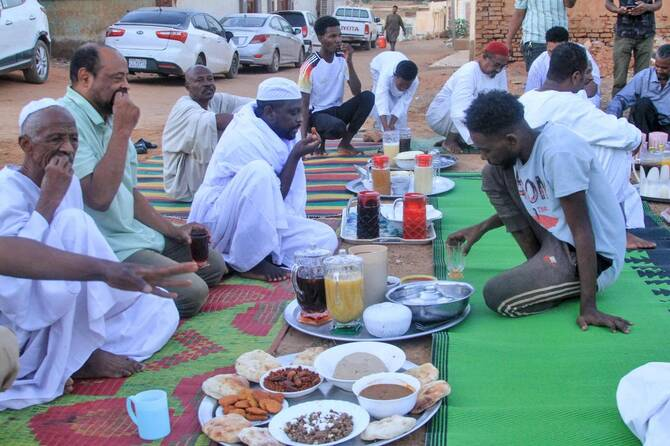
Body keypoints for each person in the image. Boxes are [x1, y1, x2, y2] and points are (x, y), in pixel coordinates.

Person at [0, 100, 192, 410]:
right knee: (74, 222)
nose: (67, 148)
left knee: (162, 310)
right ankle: (79, 355)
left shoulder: (70, 182)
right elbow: (14, 273)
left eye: (73, 139)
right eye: (55, 139)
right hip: (24, 316)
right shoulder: (6, 191)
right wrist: (48, 200)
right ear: (25, 144)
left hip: (74, 295)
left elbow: (79, 249)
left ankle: (79, 347)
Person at [59, 43, 227, 318]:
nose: (125, 86)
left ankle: (142, 284)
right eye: (116, 79)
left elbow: (129, 192)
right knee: (193, 293)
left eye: (126, 77)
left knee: (212, 263)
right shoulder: (66, 121)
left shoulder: (109, 111)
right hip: (105, 245)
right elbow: (98, 198)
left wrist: (173, 230)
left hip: (132, 233)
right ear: (84, 77)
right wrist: (123, 131)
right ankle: (118, 304)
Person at [448, 90, 630, 333]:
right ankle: (541, 265)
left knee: (498, 296)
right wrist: (482, 227)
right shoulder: (521, 149)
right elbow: (542, 204)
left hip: (593, 257)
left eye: (486, 149)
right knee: (492, 173)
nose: (482, 156)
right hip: (556, 238)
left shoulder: (559, 153)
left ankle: (561, 279)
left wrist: (589, 307)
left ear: (511, 140)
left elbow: (582, 230)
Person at [0, 236, 197, 397]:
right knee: (6, 346)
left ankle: (67, 354)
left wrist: (108, 271)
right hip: (19, 314)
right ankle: (57, 360)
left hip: (68, 283)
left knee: (162, 307)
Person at [189, 78, 338, 282]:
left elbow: (276, 203)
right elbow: (276, 194)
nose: (300, 119)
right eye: (293, 112)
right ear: (269, 112)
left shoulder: (282, 127)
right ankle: (249, 261)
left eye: (301, 111)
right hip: (222, 218)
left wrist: (296, 152)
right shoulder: (245, 136)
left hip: (264, 215)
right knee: (260, 172)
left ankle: (258, 251)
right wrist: (295, 155)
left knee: (324, 239)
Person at [520, 43, 654, 250]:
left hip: (530, 187)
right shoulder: (567, 103)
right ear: (575, 77)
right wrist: (637, 138)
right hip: (551, 186)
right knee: (615, 148)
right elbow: (622, 135)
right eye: (585, 74)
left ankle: (618, 224)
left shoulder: (526, 99)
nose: (588, 79)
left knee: (595, 141)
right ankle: (615, 229)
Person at [162, 65, 252, 202]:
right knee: (229, 129)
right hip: (183, 183)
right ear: (188, 87)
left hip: (199, 173)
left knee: (245, 111)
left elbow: (253, 104)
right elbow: (220, 121)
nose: (207, 84)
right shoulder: (184, 107)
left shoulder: (216, 100)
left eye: (210, 79)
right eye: (199, 80)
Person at [298, 15, 374, 155]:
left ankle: (344, 145)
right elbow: (303, 104)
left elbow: (356, 91)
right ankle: (318, 141)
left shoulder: (341, 58)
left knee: (368, 97)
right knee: (337, 127)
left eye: (339, 35)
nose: (338, 40)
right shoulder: (310, 65)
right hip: (316, 115)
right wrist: (303, 142)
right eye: (332, 36)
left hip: (336, 111)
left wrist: (349, 61)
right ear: (321, 38)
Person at [426, 41, 509, 153]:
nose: (499, 70)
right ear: (484, 57)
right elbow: (459, 110)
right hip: (442, 115)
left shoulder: (500, 72)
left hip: (469, 115)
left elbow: (503, 100)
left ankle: (462, 139)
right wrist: (479, 139)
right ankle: (450, 141)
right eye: (497, 65)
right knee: (476, 106)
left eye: (503, 66)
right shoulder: (468, 72)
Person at [524, 26, 602, 107]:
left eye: (558, 51)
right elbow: (532, 96)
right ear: (546, 46)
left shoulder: (580, 53)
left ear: (567, 45)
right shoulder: (538, 65)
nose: (555, 56)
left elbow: (593, 91)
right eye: (550, 52)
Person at [606, 44, 670, 134]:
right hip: (647, 124)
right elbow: (621, 99)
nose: (659, 70)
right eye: (657, 66)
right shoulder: (644, 76)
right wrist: (611, 117)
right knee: (642, 104)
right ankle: (644, 142)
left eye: (664, 68)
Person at [605, 0, 663, 97]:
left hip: (646, 34)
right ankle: (616, 110)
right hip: (623, 34)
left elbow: (658, 3)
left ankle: (637, 110)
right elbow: (608, 3)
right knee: (619, 78)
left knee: (642, 78)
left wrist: (646, 7)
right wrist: (618, 10)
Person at [506, 0, 577, 71]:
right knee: (536, 74)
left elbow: (570, 4)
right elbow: (519, 13)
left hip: (559, 41)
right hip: (532, 41)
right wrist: (508, 41)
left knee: (560, 75)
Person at [369, 51, 419, 131]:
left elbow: (403, 103)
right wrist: (386, 127)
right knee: (383, 100)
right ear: (395, 76)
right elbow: (381, 99)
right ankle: (379, 125)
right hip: (378, 67)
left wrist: (392, 124)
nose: (403, 88)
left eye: (407, 85)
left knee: (400, 119)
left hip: (396, 59)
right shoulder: (386, 75)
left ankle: (390, 126)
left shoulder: (415, 82)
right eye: (401, 84)